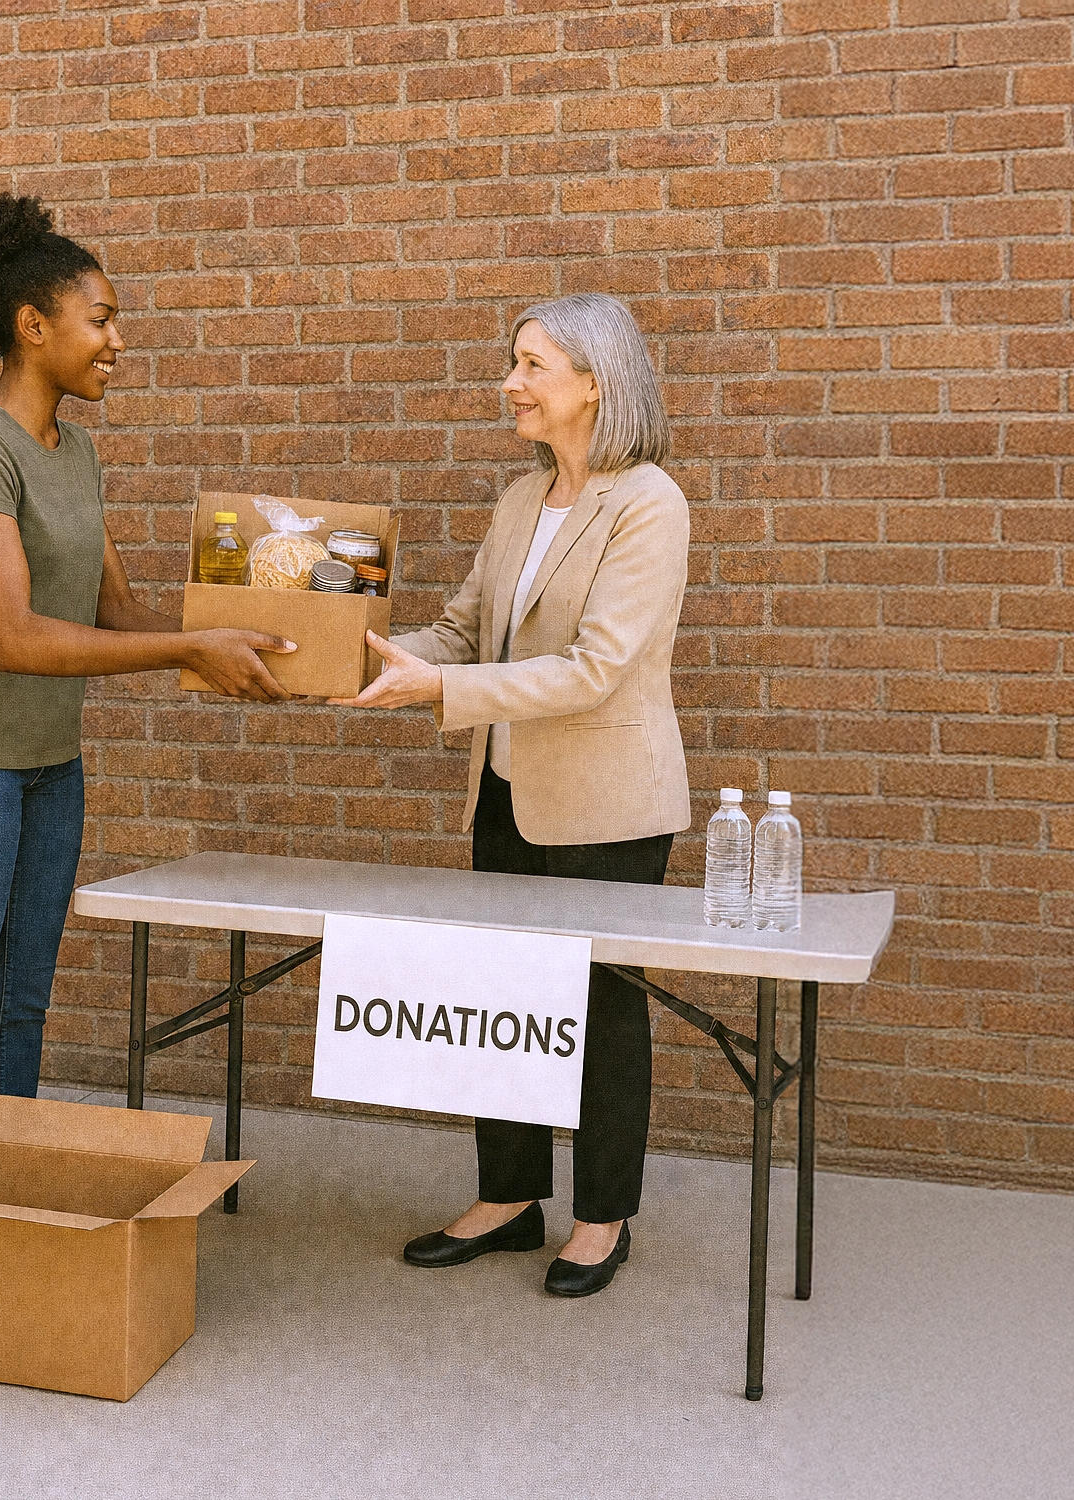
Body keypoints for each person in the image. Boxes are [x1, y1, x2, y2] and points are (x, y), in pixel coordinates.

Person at [0, 193, 296, 1121]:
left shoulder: (77, 453)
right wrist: (190, 645)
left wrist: (270, 631)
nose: (117, 342)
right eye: (101, 320)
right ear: (33, 326)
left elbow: (114, 613)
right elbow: (14, 636)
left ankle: (5, 1187)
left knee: (21, 1003)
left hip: (46, 767)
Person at [331, 292, 690, 1297]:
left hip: (608, 809)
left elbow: (594, 667)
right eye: (513, 363)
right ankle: (508, 1196)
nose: (510, 383)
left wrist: (438, 689)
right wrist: (351, 654)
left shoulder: (650, 503)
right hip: (504, 792)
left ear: (593, 383)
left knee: (601, 1017)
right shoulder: (517, 502)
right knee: (502, 1001)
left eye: (531, 365)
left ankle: (601, 1216)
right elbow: (460, 633)